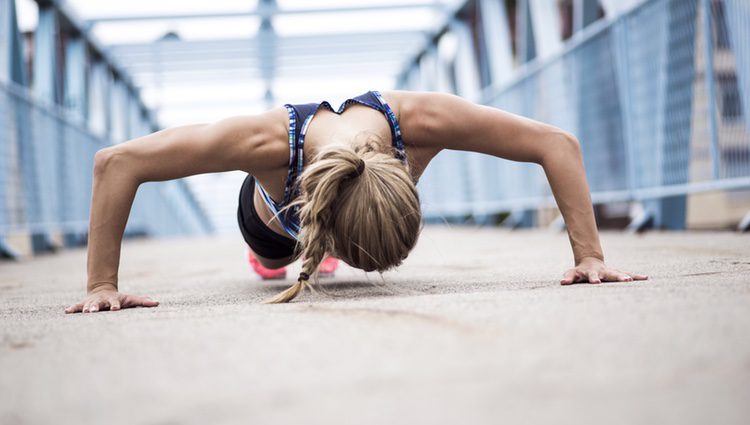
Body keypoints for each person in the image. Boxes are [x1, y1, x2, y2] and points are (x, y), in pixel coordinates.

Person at [64, 90, 647, 313]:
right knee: (274, 259)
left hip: (343, 199)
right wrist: (100, 284)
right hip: (270, 222)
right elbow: (117, 162)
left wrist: (588, 255)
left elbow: (556, 144)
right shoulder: (263, 143)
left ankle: (322, 249)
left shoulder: (424, 123)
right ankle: (286, 253)